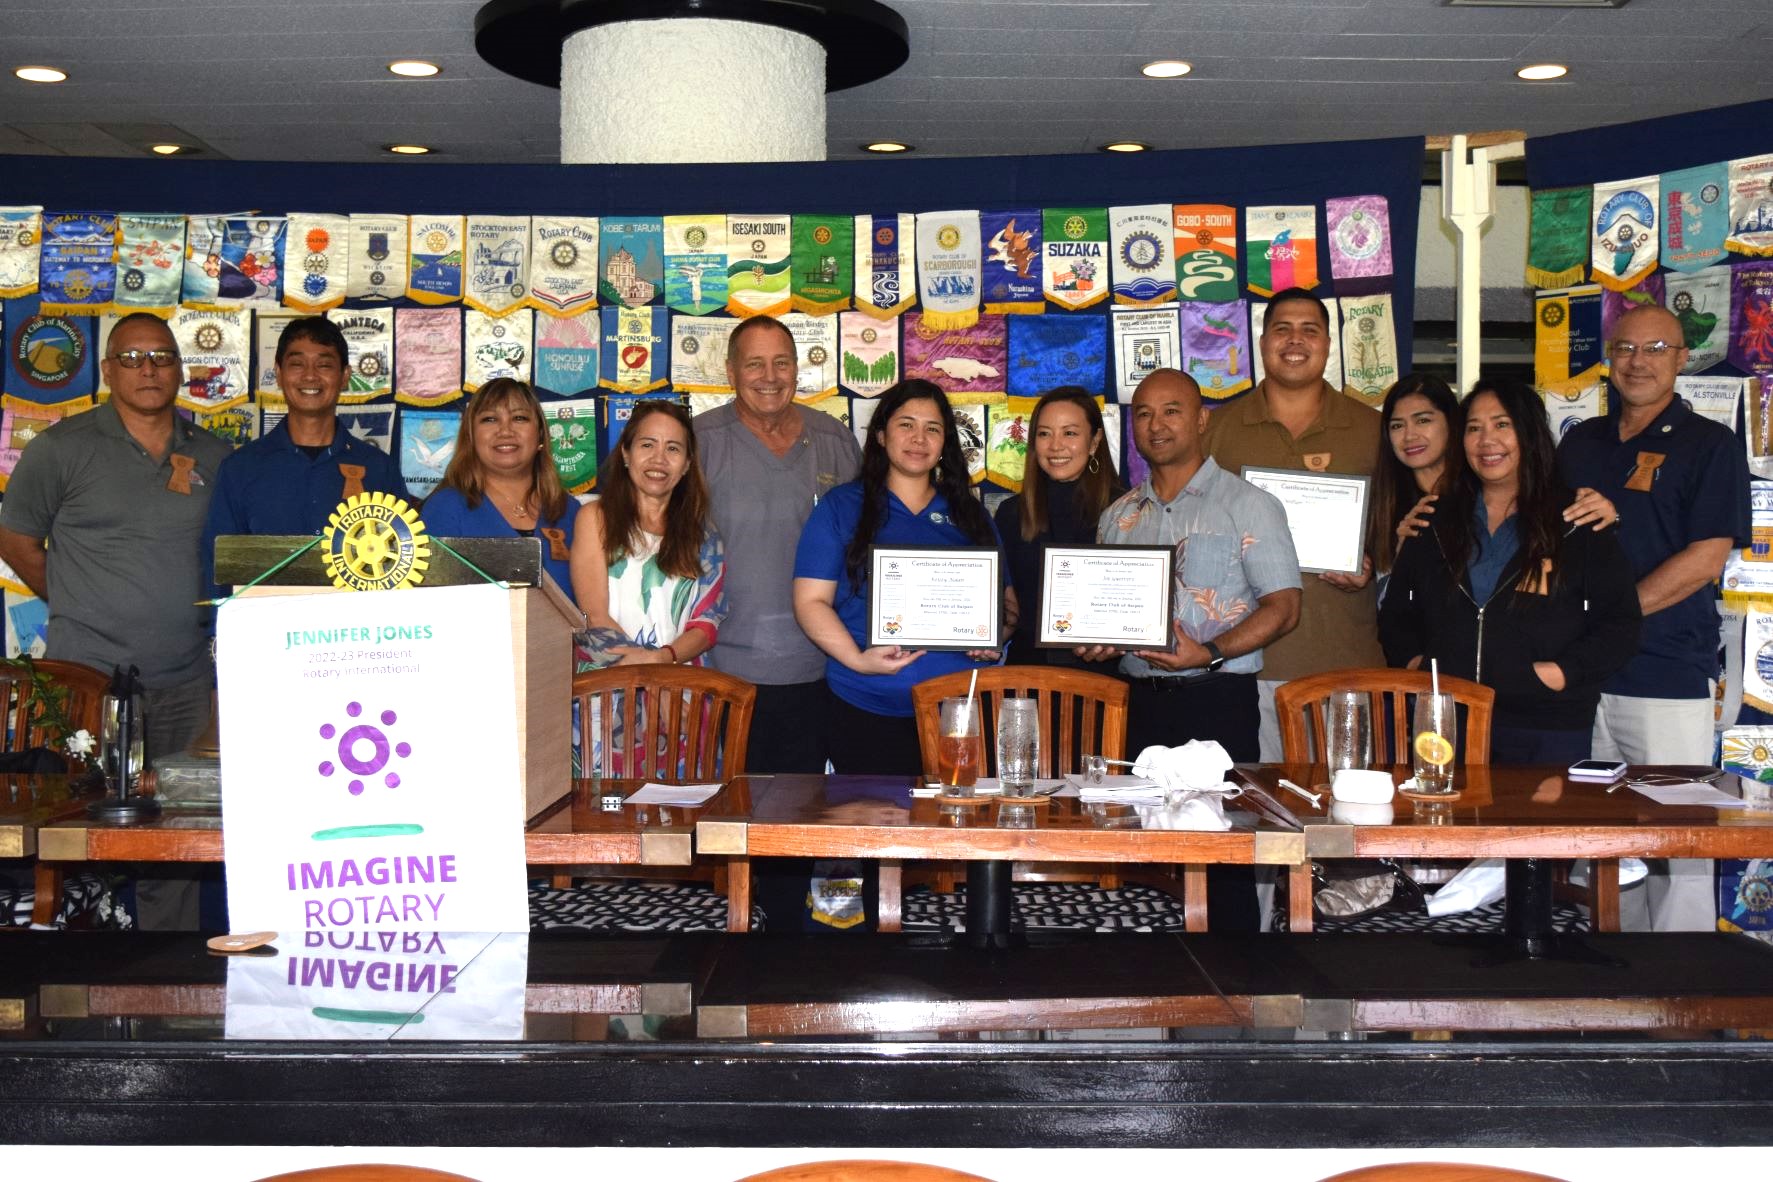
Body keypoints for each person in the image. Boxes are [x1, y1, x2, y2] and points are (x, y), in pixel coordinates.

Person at [0, 311, 233, 930]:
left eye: (160, 356)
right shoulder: (61, 447)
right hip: (87, 682)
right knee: (76, 834)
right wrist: (77, 600)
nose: (148, 369)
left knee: (178, 840)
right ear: (107, 371)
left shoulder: (214, 454)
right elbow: (17, 538)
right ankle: (67, 983)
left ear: (181, 369)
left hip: (185, 683)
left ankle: (165, 984)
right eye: (131, 358)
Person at [1557, 302, 1752, 929]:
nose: (1637, 362)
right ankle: (1613, 985)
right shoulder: (1580, 443)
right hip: (1583, 679)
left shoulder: (1710, 444)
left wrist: (1616, 617)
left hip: (1666, 672)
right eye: (1625, 349)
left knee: (1678, 846)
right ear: (1608, 359)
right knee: (1597, 845)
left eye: (1655, 349)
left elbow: (1705, 559)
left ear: (1682, 360)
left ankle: (1683, 999)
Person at [1086, 368, 1301, 931]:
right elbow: (1111, 612)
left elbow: (1283, 607)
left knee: (1223, 849)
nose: (1157, 425)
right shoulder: (1118, 516)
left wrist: (1207, 652)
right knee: (1144, 851)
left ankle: (1237, 980)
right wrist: (1099, 640)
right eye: (1144, 414)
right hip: (1139, 705)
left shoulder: (1249, 504)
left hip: (1217, 701)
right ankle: (1160, 978)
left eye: (1172, 411)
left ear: (1202, 419)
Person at [1379, 378, 1641, 764]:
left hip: (1546, 724)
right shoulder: (1435, 517)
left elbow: (1620, 622)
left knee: (1538, 827)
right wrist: (1419, 666)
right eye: (1473, 428)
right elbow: (1397, 614)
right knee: (1444, 824)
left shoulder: (1575, 517)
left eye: (1502, 425)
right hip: (1447, 720)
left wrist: (1561, 673)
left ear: (1529, 433)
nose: (1487, 441)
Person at [1201, 288, 1381, 760]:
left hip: (1345, 660)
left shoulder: (1374, 429)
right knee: (1260, 819)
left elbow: (1404, 531)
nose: (1295, 340)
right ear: (1262, 343)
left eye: (1309, 330)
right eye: (1282, 329)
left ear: (1328, 344)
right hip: (1245, 665)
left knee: (1345, 819)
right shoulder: (1219, 429)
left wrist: (1376, 567)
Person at [793, 379, 1001, 776]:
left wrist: (993, 640)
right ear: (882, 435)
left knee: (953, 829)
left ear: (946, 443)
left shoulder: (971, 516)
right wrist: (858, 660)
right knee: (873, 828)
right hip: (864, 704)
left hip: (957, 711)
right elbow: (809, 602)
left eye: (933, 428)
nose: (919, 438)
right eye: (906, 424)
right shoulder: (841, 507)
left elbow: (1004, 608)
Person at [695, 315, 860, 772]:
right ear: (730, 372)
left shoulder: (834, 441)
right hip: (721, 669)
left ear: (797, 369)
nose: (769, 377)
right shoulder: (698, 443)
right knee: (730, 821)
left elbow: (870, 550)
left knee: (803, 815)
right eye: (755, 364)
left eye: (781, 363)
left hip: (822, 669)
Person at [200, 316, 408, 596]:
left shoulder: (379, 470)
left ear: (344, 376)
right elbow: (218, 570)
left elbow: (402, 566)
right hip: (267, 634)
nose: (310, 376)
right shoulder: (241, 469)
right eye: (297, 364)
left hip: (353, 634)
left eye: (324, 365)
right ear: (278, 372)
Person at [1382, 374, 1616, 578]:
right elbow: (1403, 609)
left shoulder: (1565, 511)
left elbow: (1606, 611)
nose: (1409, 435)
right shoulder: (1401, 511)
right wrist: (1406, 562)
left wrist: (1610, 520)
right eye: (1396, 425)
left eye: (1502, 424)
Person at [571, 400, 726, 666]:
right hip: (609, 688)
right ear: (626, 454)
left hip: (681, 687)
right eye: (647, 444)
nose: (659, 458)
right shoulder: (595, 519)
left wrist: (662, 661)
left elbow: (706, 625)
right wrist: (654, 687)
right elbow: (595, 617)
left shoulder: (703, 535)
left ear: (687, 464)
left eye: (673, 448)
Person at [994, 387, 1125, 665]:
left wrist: (1121, 637)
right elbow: (1007, 609)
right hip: (1028, 676)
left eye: (1070, 433)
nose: (1055, 446)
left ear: (1094, 441)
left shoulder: (1129, 510)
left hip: (1104, 677)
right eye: (1044, 433)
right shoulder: (1010, 514)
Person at [419, 378, 576, 604]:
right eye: (490, 419)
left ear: (541, 435)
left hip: (561, 640)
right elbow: (432, 606)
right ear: (471, 436)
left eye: (519, 418)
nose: (505, 431)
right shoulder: (444, 509)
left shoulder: (570, 512)